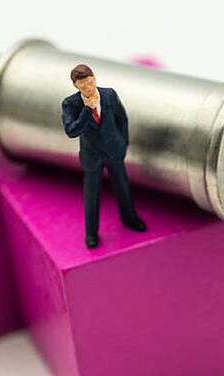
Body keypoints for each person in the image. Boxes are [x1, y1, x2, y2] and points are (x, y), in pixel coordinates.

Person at [61, 64, 147, 248]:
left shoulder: (109, 95)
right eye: (83, 85)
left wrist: (123, 142)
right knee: (92, 195)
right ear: (76, 86)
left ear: (95, 78)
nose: (88, 87)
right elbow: (71, 131)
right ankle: (91, 234)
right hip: (92, 156)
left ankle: (130, 218)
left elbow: (122, 119)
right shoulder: (71, 104)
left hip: (114, 150)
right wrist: (86, 110)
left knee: (123, 186)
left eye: (90, 82)